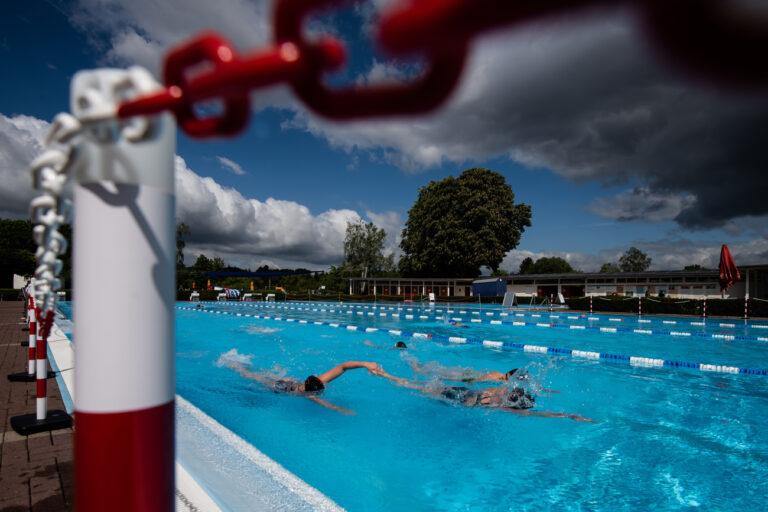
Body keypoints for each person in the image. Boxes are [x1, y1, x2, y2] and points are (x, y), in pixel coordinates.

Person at [372, 368, 594, 422]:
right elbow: (533, 415)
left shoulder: (501, 390)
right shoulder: (504, 404)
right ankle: (390, 377)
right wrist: (565, 416)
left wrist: (566, 416)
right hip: (461, 399)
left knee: (419, 387)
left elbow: (533, 413)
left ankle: (391, 376)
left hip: (462, 394)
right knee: (417, 389)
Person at [221, 358, 382, 414]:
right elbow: (327, 404)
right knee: (256, 379)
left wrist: (365, 364)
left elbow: (343, 366)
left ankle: (237, 365)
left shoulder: (315, 383)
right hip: (279, 389)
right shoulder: (311, 394)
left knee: (259, 375)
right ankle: (237, 367)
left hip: (288, 384)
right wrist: (341, 410)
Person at [408, 359, 559, 393]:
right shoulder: (494, 377)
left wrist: (547, 390)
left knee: (442, 369)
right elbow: (472, 382)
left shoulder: (504, 379)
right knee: (441, 372)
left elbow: (531, 385)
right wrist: (446, 381)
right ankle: (417, 367)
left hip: (475, 373)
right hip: (470, 376)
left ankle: (420, 366)